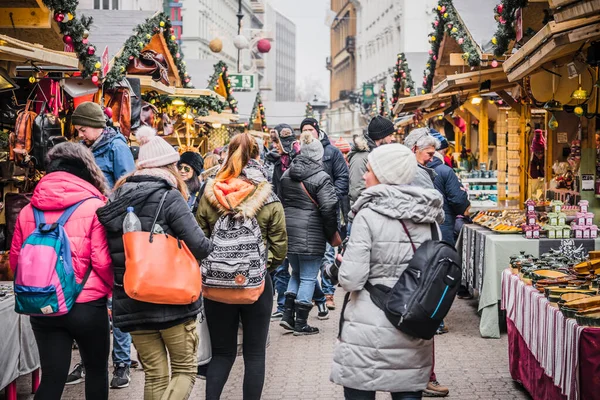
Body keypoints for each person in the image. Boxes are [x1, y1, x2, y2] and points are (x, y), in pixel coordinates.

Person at [96, 126, 212, 400]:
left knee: (155, 374)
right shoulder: (169, 196)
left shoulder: (115, 197)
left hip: (132, 296)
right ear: (168, 166)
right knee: (184, 369)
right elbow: (200, 246)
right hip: (173, 299)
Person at [330, 143, 444, 400]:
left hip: (368, 327)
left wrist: (341, 265)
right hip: (412, 322)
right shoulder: (430, 217)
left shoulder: (368, 215)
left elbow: (352, 279)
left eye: (368, 169)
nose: (363, 175)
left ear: (384, 174)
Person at [10, 142, 113, 400]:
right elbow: (102, 261)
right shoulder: (95, 208)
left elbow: (16, 262)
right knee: (97, 373)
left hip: (43, 304)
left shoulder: (26, 210)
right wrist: (113, 290)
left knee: (52, 378)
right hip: (86, 306)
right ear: (86, 170)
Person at [196, 133, 287, 400]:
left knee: (222, 353)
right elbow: (280, 245)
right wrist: (262, 266)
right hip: (257, 285)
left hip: (216, 285)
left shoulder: (210, 192)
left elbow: (198, 238)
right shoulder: (266, 195)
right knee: (255, 354)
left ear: (227, 155)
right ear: (258, 157)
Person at [70, 101, 137, 388]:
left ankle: (121, 363)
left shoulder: (116, 147)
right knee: (89, 296)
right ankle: (89, 360)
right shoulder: (85, 148)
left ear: (96, 124)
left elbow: (127, 186)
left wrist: (113, 213)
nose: (80, 133)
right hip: (87, 228)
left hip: (110, 229)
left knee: (116, 298)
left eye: (83, 127)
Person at [403, 128, 450, 398]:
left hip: (414, 251)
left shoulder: (411, 171)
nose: (432, 159)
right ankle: (424, 376)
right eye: (429, 154)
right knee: (424, 317)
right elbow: (436, 212)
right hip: (420, 252)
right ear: (414, 150)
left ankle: (418, 375)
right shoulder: (417, 174)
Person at [279, 132, 339, 334]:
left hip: (289, 231)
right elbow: (329, 207)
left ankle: (288, 316)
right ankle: (301, 323)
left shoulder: (286, 174)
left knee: (295, 273)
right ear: (318, 156)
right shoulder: (321, 177)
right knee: (308, 277)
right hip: (311, 233)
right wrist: (331, 233)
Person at [300, 118, 349, 311]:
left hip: (328, 211)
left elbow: (343, 177)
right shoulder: (300, 152)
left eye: (310, 129)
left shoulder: (331, 152)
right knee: (311, 255)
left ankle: (328, 294)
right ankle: (315, 294)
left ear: (317, 131)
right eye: (304, 129)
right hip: (308, 213)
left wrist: (330, 198)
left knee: (328, 253)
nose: (307, 133)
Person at [264, 124, 299, 320]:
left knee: (299, 265)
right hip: (277, 218)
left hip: (294, 216)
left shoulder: (296, 160)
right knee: (281, 264)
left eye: (276, 141)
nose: (274, 146)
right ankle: (283, 305)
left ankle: (316, 299)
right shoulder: (272, 162)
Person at [348, 115, 395, 208]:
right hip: (365, 214)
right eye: (390, 135)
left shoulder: (377, 154)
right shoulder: (360, 158)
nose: (393, 138)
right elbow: (357, 192)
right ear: (381, 136)